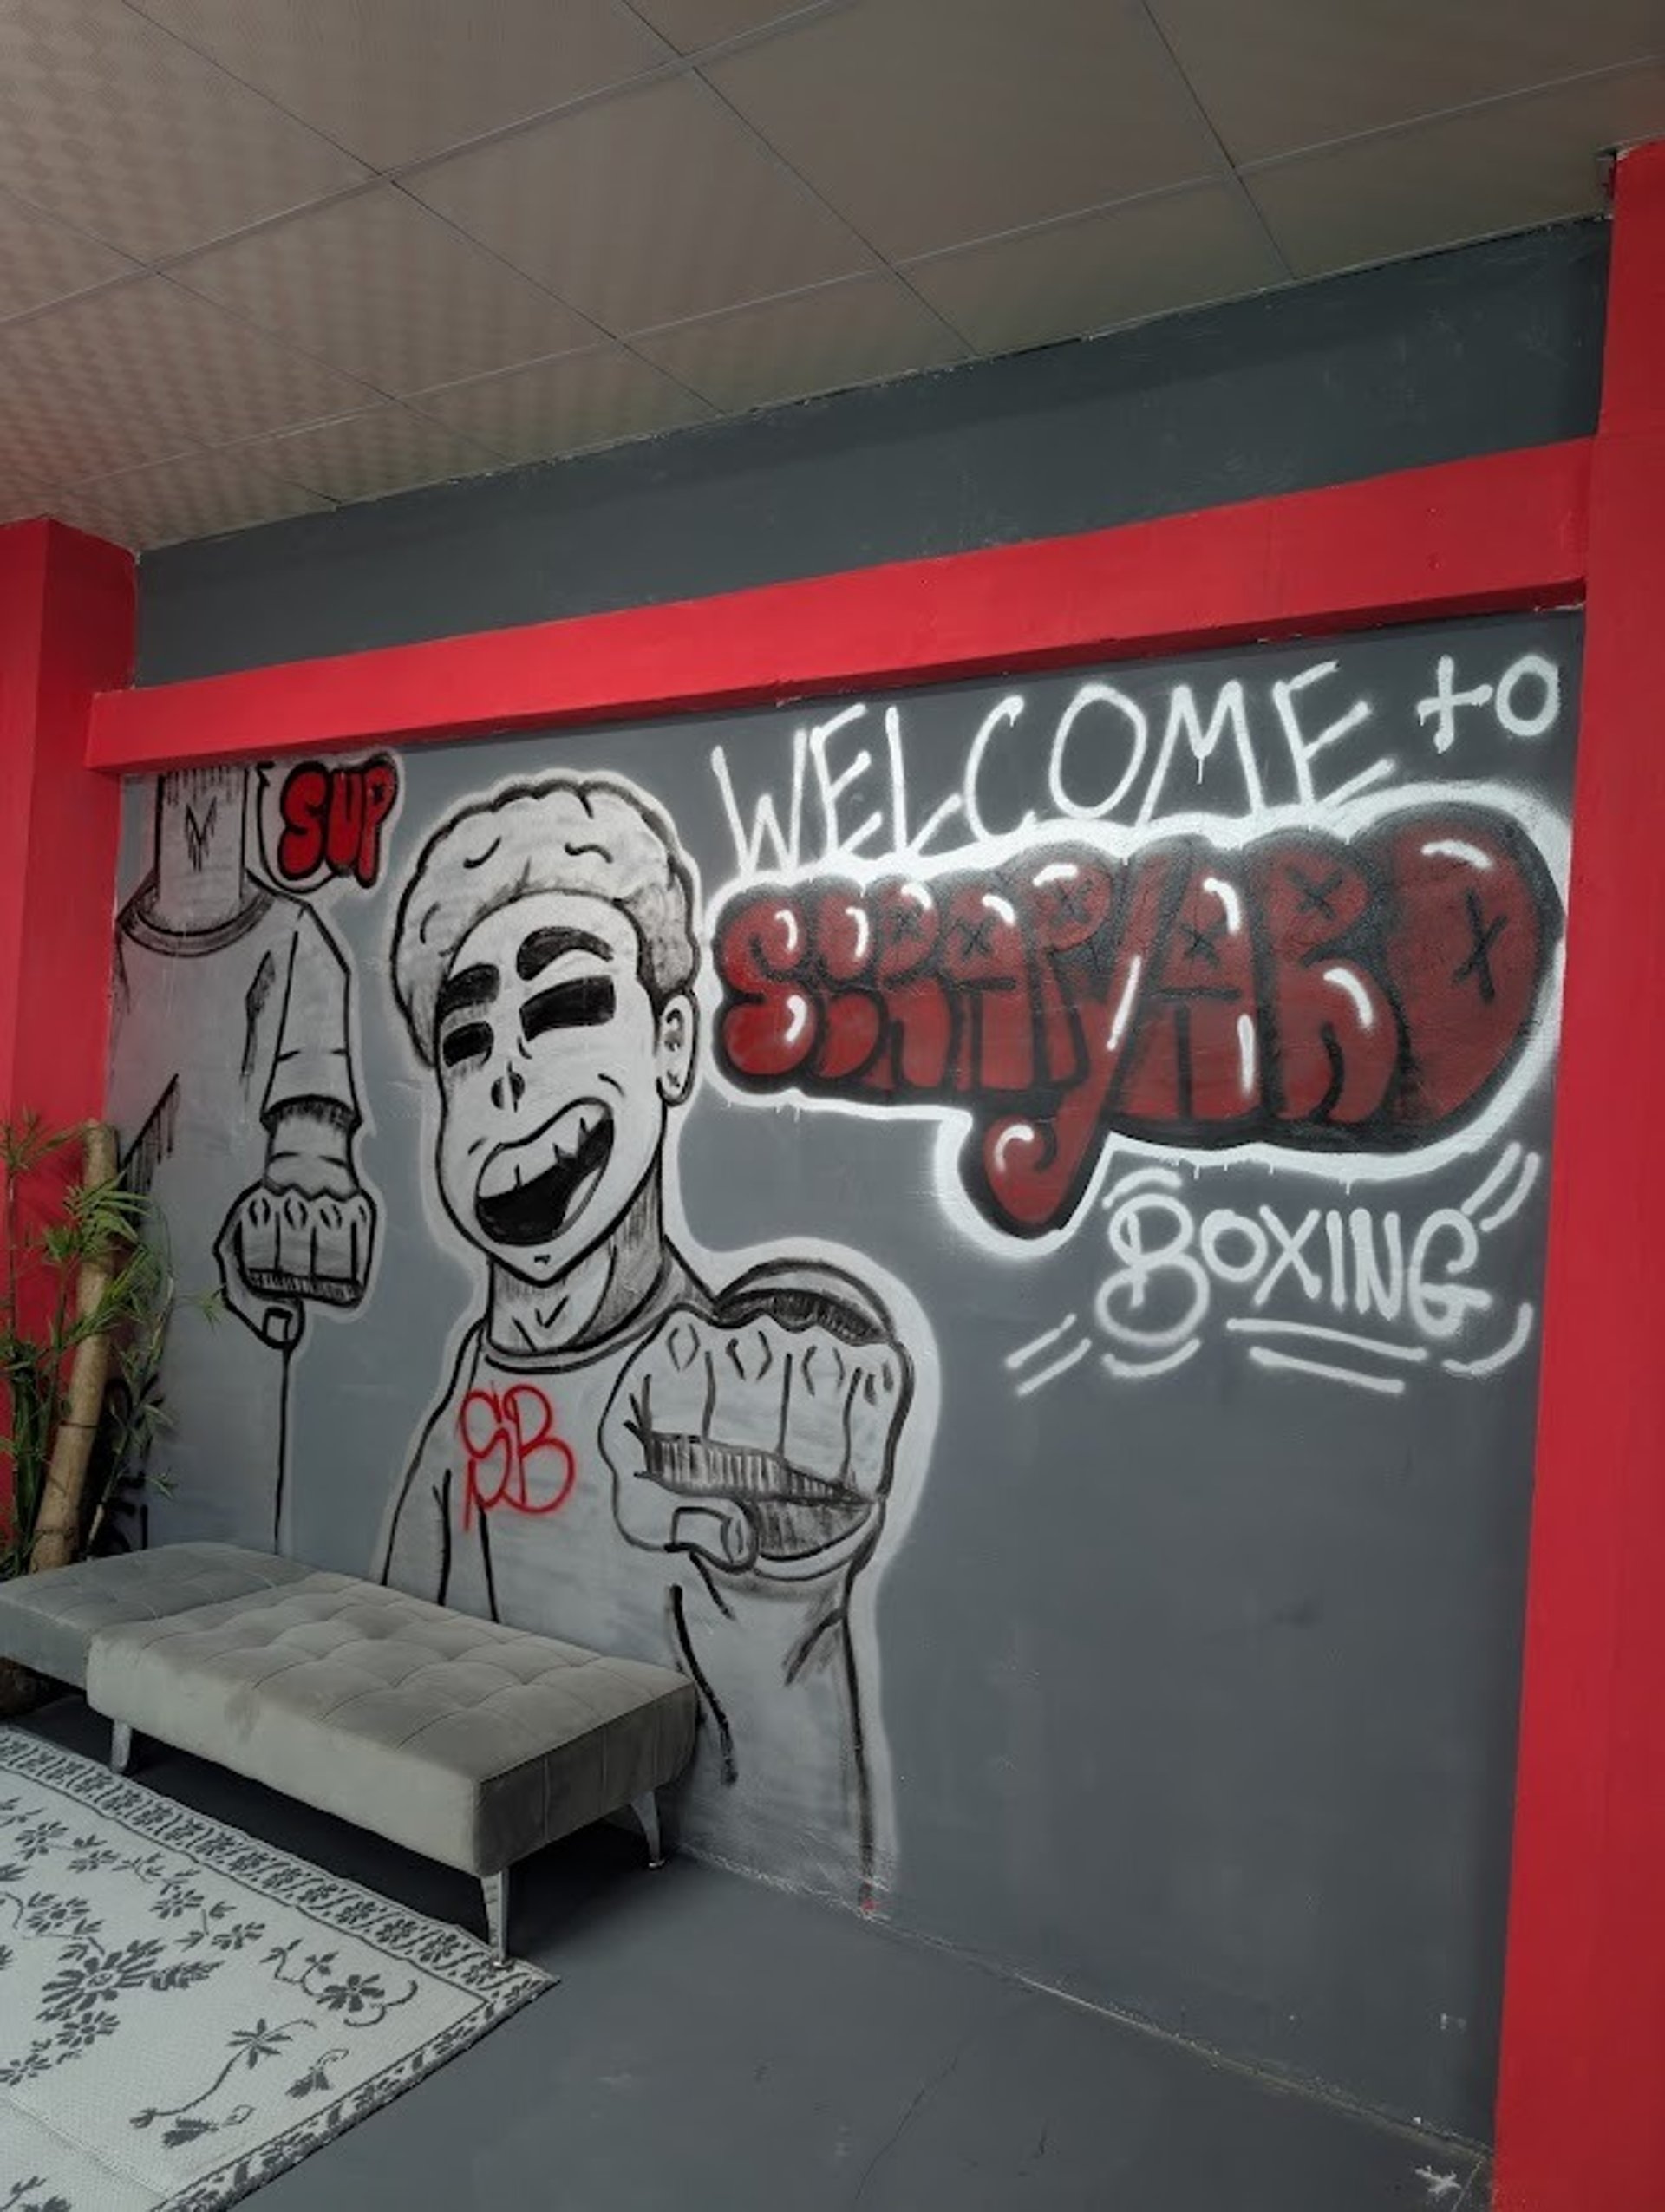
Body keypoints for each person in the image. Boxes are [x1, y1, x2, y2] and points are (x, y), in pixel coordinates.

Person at [376, 773, 919, 1895]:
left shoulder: (705, 1408)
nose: (507, 1071)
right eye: (466, 1039)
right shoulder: (472, 1392)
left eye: (567, 1005)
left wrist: (788, 1573)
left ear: (672, 1044)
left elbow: (802, 1826)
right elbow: (395, 1657)